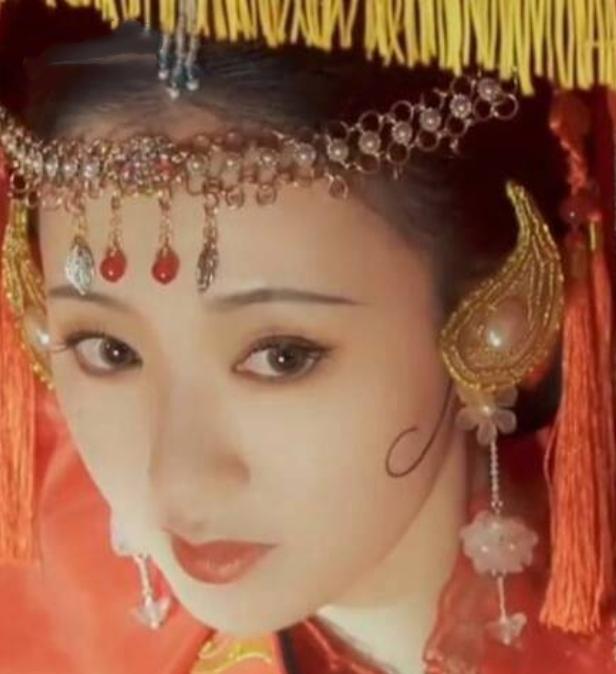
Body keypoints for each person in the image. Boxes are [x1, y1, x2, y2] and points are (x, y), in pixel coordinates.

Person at [0, 2, 615, 673]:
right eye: (109, 350)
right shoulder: (47, 630)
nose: (179, 478)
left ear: (499, 321)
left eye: (281, 356)